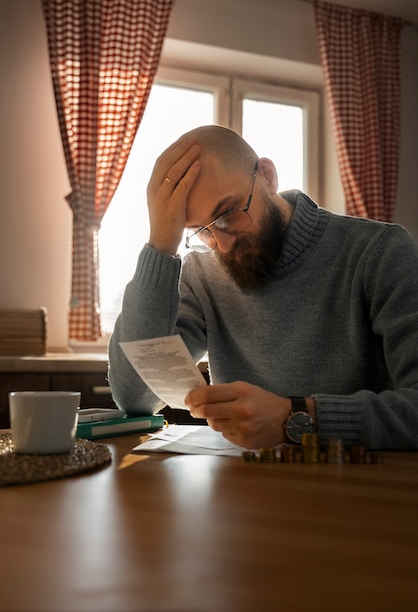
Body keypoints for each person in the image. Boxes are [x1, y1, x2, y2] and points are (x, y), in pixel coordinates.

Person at [108, 125, 418, 450]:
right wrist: (160, 246)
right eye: (201, 230)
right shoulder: (201, 271)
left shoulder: (378, 252)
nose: (223, 245)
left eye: (228, 213)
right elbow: (134, 398)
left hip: (360, 488)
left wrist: (294, 418)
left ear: (268, 177)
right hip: (243, 486)